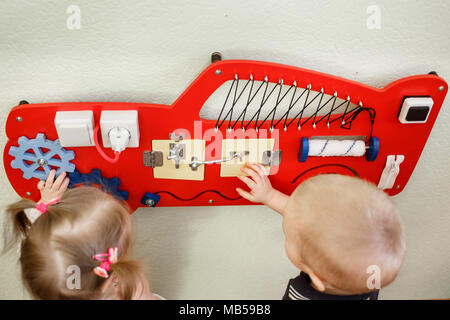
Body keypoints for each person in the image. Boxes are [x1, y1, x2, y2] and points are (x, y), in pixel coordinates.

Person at [236, 164, 405, 300]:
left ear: (317, 278)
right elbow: (307, 220)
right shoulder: (371, 275)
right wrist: (270, 196)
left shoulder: (300, 296)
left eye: (288, 238)